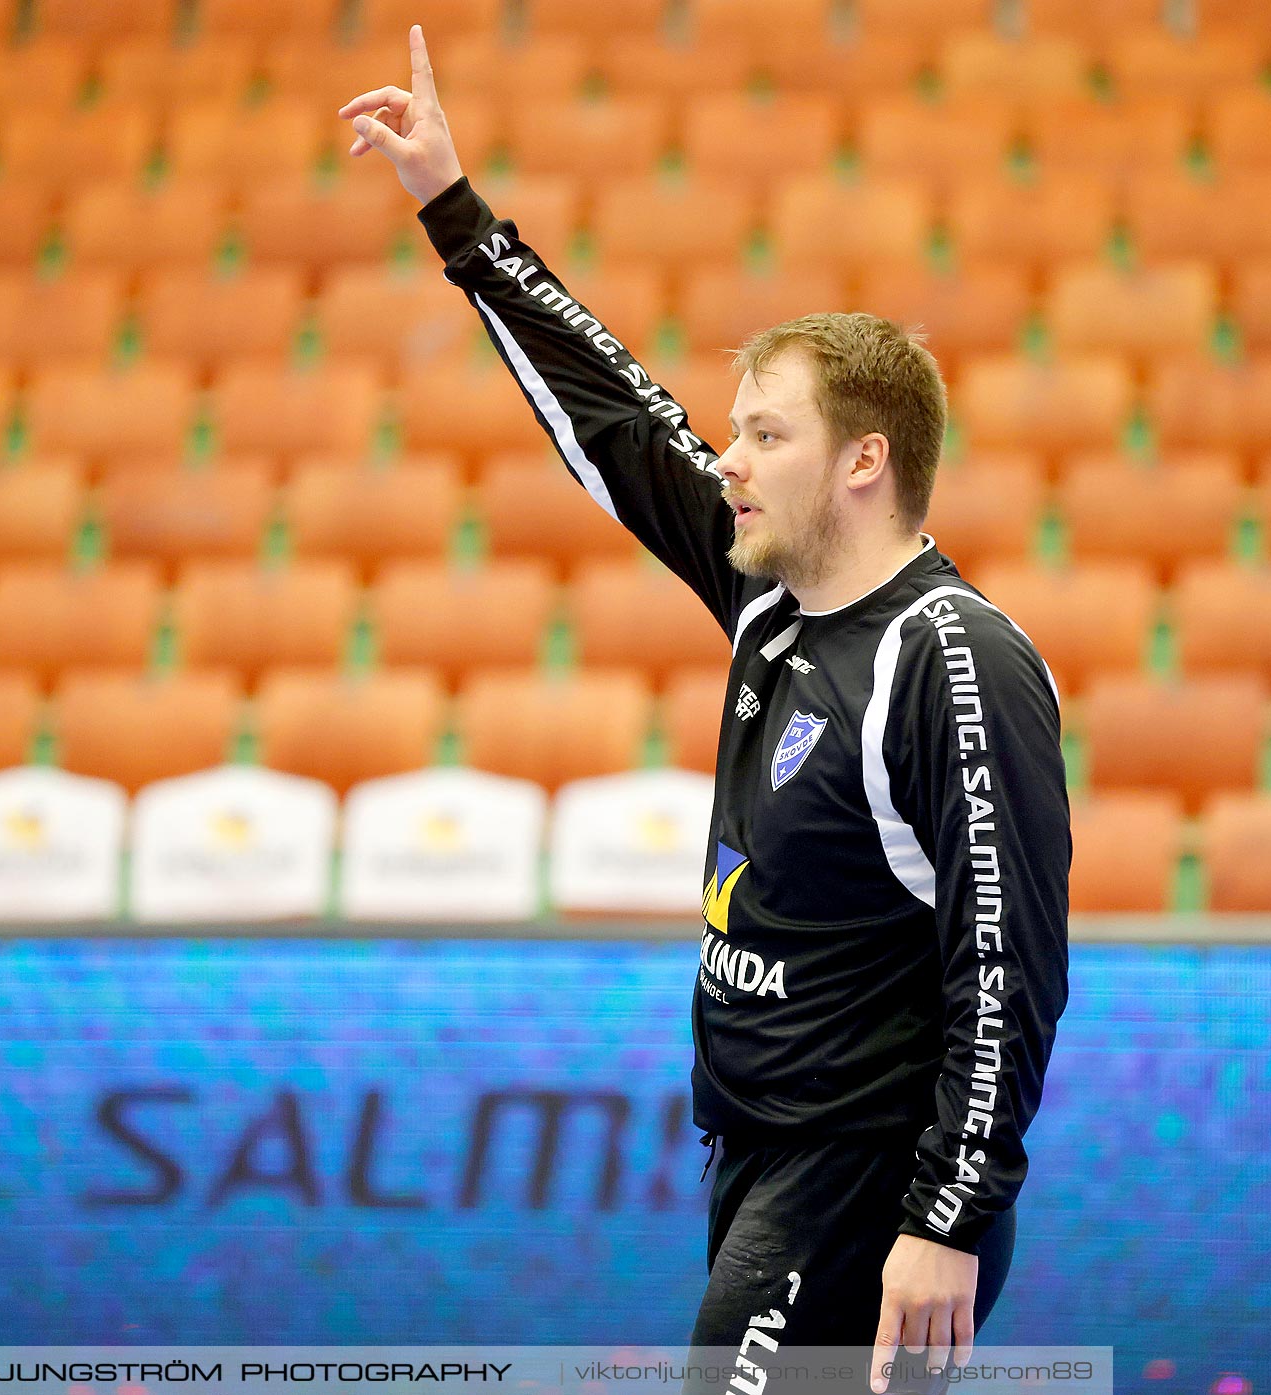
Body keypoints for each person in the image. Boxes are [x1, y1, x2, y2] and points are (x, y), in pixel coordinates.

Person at [339, 27, 1072, 1394]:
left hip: (861, 1182)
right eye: (733, 433)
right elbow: (618, 418)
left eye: (765, 437)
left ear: (867, 462)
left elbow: (1011, 964)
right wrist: (452, 207)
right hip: (753, 1150)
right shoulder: (771, 599)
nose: (728, 461)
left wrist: (946, 1221)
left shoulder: (952, 658)